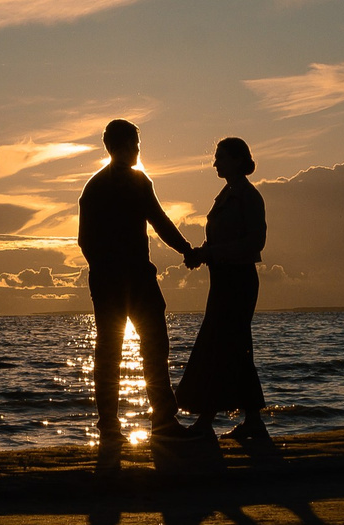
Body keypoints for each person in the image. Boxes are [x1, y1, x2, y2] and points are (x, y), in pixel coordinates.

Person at [77, 118, 194, 460]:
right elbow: (88, 241)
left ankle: (145, 421)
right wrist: (186, 249)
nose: (138, 152)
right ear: (121, 146)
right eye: (135, 146)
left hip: (127, 279)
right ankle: (120, 424)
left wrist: (185, 248)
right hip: (124, 280)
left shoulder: (119, 184)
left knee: (145, 346)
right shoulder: (104, 187)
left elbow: (159, 223)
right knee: (126, 350)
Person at [176, 136, 273, 455]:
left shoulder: (248, 196)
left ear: (235, 159)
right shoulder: (227, 194)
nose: (214, 163)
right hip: (223, 280)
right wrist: (205, 254)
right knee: (229, 346)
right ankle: (250, 420)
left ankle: (208, 419)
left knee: (225, 344)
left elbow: (255, 242)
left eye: (219, 157)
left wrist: (209, 253)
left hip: (238, 280)